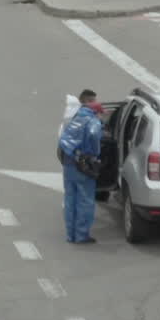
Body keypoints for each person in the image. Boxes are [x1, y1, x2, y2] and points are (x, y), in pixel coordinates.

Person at [58, 98, 105, 244]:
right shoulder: (92, 121)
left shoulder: (75, 118)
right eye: (101, 114)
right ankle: (81, 235)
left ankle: (70, 235)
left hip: (68, 164)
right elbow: (93, 133)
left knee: (70, 200)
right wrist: (96, 153)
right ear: (96, 112)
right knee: (85, 201)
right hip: (84, 166)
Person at [56, 89, 98, 163]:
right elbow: (93, 134)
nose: (96, 104)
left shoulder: (73, 115)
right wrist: (95, 154)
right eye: (93, 101)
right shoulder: (86, 117)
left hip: (67, 152)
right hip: (79, 157)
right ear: (85, 102)